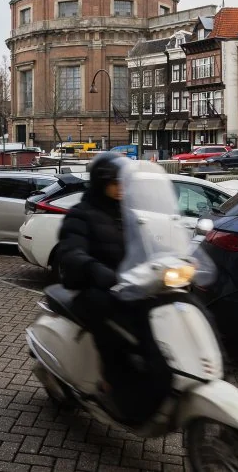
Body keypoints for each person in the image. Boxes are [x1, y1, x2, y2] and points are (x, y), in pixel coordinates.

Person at [56, 153, 172, 422]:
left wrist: (168, 256)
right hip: (95, 289)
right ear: (100, 183)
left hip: (128, 287)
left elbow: (148, 245)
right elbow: (71, 251)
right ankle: (111, 383)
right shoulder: (80, 215)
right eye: (115, 182)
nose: (121, 187)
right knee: (112, 327)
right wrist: (95, 269)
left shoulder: (129, 215)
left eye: (124, 182)